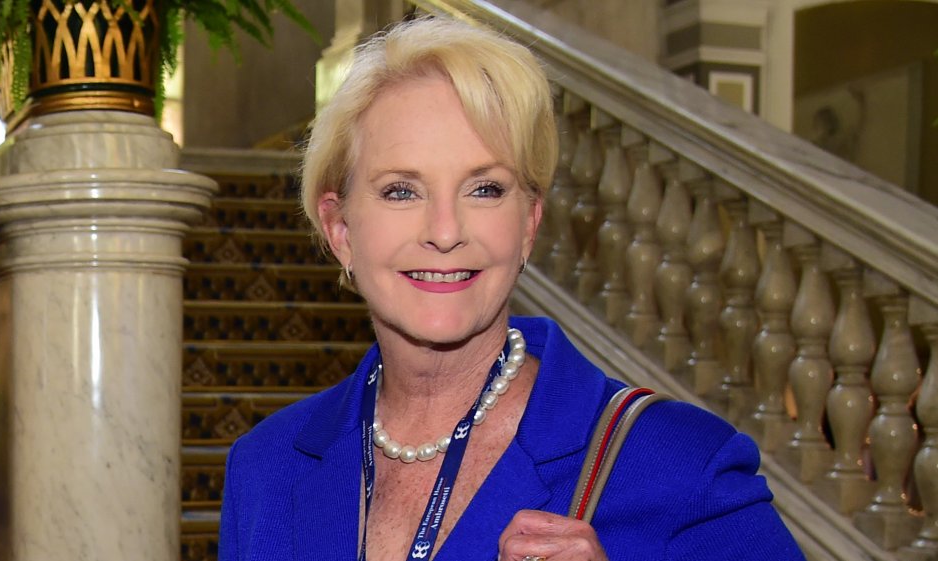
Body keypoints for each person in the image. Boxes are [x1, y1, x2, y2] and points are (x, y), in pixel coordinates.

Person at [218, 16, 805, 561]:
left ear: (528, 224)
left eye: (485, 189)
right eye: (401, 190)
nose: (445, 232)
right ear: (341, 229)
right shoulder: (267, 467)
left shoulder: (679, 465)